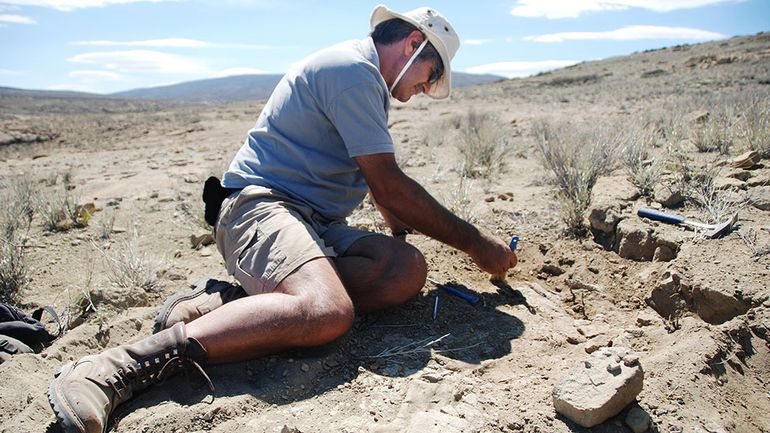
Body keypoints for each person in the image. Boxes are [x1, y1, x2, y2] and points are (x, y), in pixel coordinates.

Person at [48, 5, 517, 433]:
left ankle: (229, 304)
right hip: (259, 207)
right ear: (414, 45)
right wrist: (477, 243)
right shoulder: (353, 71)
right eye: (430, 77)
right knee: (326, 311)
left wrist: (397, 234)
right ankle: (116, 367)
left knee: (404, 269)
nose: (422, 93)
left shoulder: (365, 79)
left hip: (309, 219)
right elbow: (389, 182)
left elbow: (380, 188)